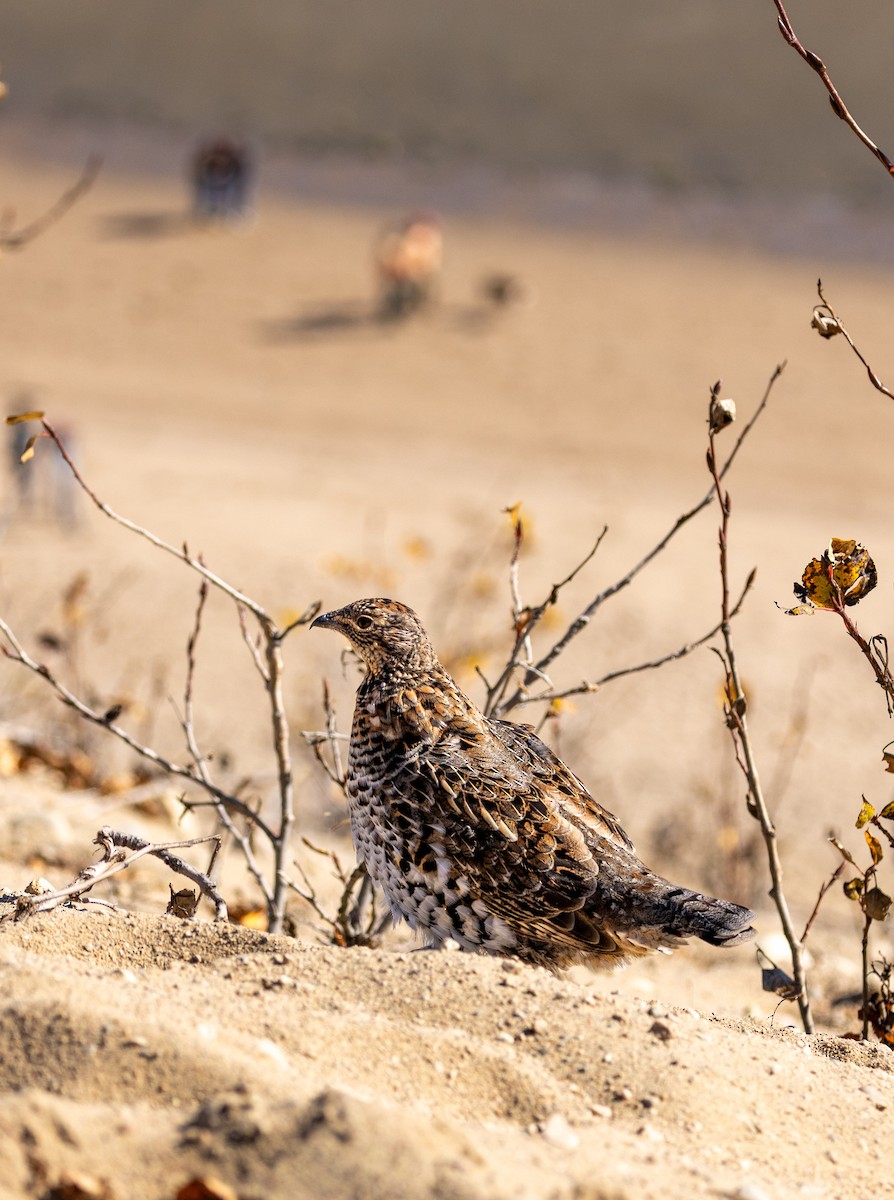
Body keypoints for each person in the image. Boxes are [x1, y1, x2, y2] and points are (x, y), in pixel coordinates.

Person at [374, 211, 443, 320]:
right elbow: (386, 258)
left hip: (417, 275)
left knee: (416, 292)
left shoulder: (430, 243)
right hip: (399, 274)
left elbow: (431, 262)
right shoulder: (398, 242)